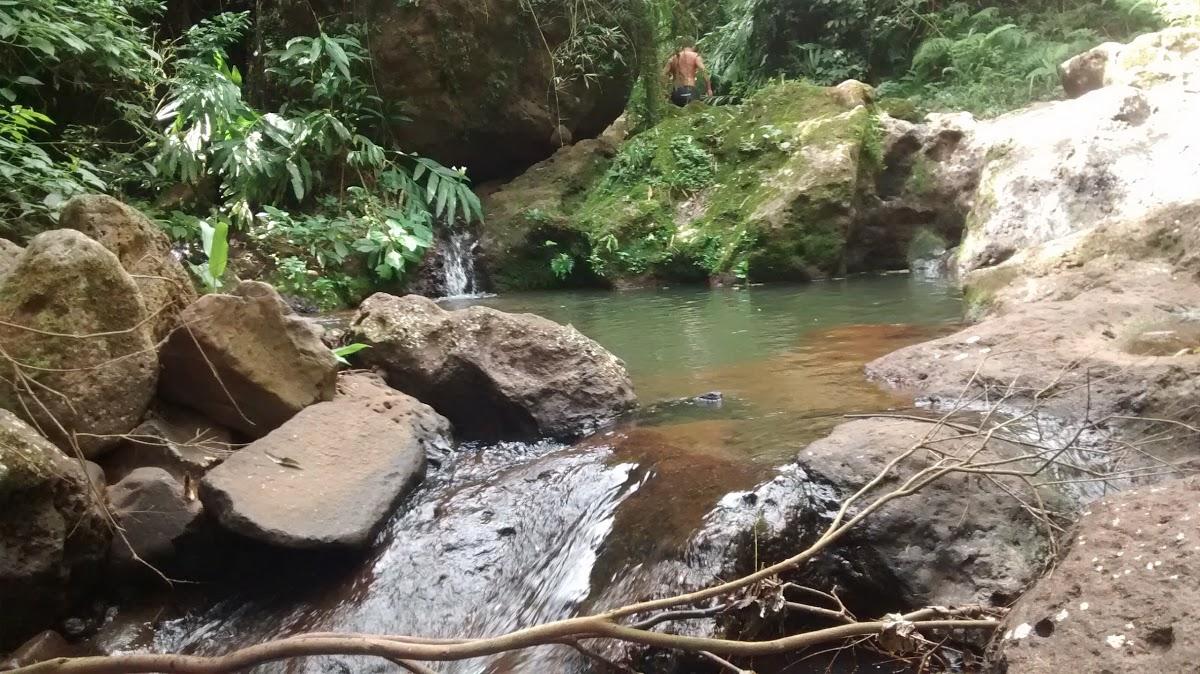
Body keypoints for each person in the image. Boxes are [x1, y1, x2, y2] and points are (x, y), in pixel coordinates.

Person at [664, 41, 713, 107]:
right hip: (690, 91)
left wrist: (664, 91)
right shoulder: (695, 56)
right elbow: (704, 71)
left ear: (681, 47)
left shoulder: (673, 58)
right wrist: (709, 89)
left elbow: (662, 74)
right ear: (693, 46)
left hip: (677, 92)